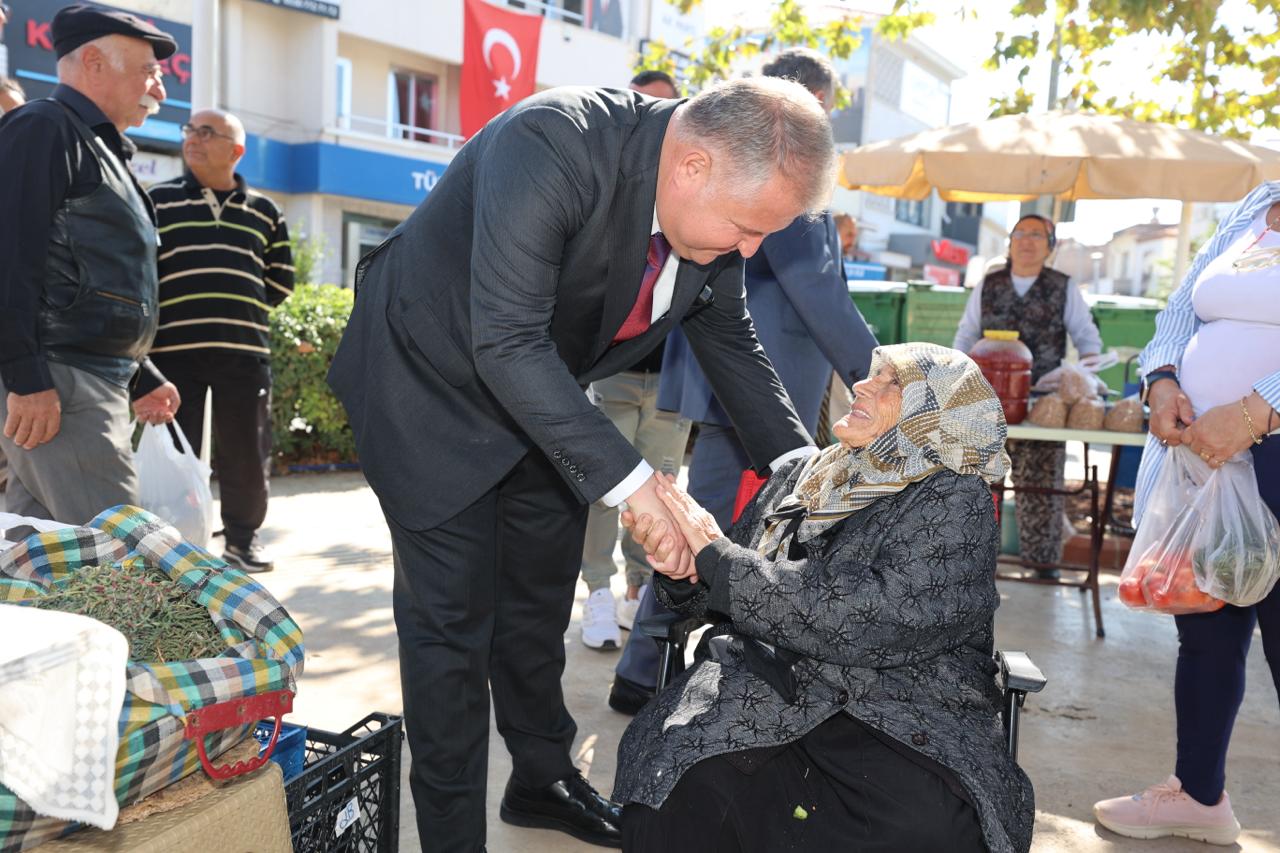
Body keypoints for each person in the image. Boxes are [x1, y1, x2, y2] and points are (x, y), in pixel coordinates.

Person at [327, 77, 831, 851]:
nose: (752, 250)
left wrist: (816, 481)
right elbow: (504, 340)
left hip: (544, 394)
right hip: (428, 383)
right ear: (693, 166)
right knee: (451, 630)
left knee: (535, 600)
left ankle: (540, 778)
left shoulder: (710, 213)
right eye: (746, 228)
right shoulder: (552, 143)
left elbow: (732, 341)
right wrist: (641, 488)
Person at [613, 343, 1033, 853]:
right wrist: (687, 573)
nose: (861, 386)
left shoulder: (951, 496)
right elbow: (729, 584)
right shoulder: (805, 476)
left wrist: (723, 564)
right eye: (868, 374)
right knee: (674, 796)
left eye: (889, 382)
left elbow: (876, 619)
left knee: (920, 829)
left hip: (898, 703)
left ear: (934, 409)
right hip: (767, 688)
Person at [609, 48, 878, 714]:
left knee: (716, 527)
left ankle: (646, 667)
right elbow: (818, 289)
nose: (827, 125)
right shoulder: (778, 160)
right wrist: (885, 379)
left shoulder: (773, 158)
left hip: (755, 391)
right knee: (707, 532)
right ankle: (645, 670)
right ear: (804, 101)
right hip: (753, 391)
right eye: (827, 108)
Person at [1092, 181, 1280, 846]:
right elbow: (1181, 308)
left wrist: (1259, 410)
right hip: (1205, 453)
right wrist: (1164, 379)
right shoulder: (1259, 203)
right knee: (1206, 627)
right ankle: (1199, 794)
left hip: (1269, 444)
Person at [0, 4, 181, 525]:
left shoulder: (95, 145)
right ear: (94, 63)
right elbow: (10, 255)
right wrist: (25, 376)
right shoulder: (42, 127)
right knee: (124, 566)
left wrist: (141, 372)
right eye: (149, 71)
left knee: (49, 570)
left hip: (78, 380)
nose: (159, 90)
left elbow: (92, 278)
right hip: (61, 386)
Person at [147, 109, 294, 573]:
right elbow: (142, 276)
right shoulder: (157, 200)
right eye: (189, 130)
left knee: (246, 450)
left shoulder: (267, 211)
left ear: (236, 149)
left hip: (243, 352)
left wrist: (232, 308)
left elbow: (280, 282)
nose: (193, 139)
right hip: (171, 353)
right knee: (175, 452)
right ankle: (174, 545)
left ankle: (242, 541)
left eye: (206, 132)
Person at [578, 69, 691, 650]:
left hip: (672, 380)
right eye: (643, 106)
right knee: (605, 485)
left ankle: (637, 592)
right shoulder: (608, 189)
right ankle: (597, 591)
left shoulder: (694, 194)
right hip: (615, 372)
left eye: (666, 109)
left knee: (662, 489)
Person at [953, 214, 1102, 572]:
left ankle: (1043, 561)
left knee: (1041, 484)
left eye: (1037, 235)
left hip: (1042, 402)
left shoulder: (1062, 286)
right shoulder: (989, 284)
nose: (1027, 241)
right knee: (978, 482)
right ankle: (971, 559)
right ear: (1010, 242)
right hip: (988, 400)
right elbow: (966, 334)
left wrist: (1084, 377)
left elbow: (1087, 338)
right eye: (1020, 233)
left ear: (1051, 246)